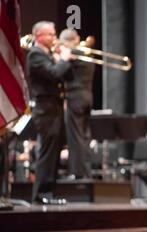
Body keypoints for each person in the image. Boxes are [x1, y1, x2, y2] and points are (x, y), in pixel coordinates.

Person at [27, 21, 74, 204]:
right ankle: (40, 194)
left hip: (55, 107)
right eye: (51, 35)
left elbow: (67, 77)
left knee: (54, 151)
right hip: (45, 108)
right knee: (47, 152)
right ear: (39, 36)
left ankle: (49, 193)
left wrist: (62, 59)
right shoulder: (35, 55)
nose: (54, 38)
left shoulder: (49, 54)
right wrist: (62, 60)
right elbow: (54, 74)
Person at [59, 29, 96, 180]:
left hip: (75, 98)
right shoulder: (87, 53)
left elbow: (62, 73)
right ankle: (86, 171)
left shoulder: (73, 54)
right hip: (87, 96)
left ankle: (78, 173)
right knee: (85, 136)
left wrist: (62, 57)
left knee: (75, 137)